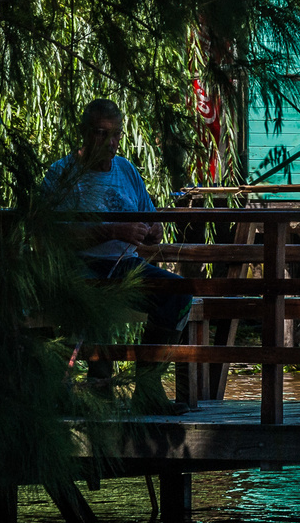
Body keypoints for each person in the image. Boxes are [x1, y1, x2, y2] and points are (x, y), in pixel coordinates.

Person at [43, 98, 191, 415]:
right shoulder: (61, 175)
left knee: (178, 294)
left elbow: (153, 223)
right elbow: (54, 235)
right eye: (101, 133)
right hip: (79, 268)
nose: (111, 143)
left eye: (116, 135)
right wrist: (111, 231)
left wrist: (151, 232)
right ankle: (97, 395)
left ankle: (148, 390)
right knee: (94, 306)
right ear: (83, 133)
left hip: (126, 265)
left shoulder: (125, 169)